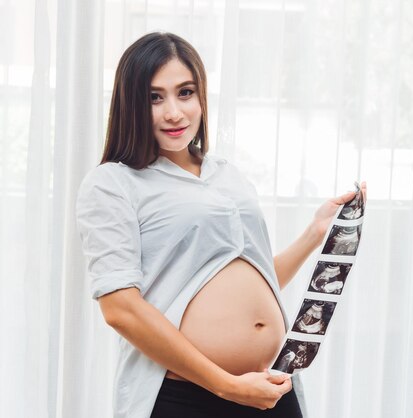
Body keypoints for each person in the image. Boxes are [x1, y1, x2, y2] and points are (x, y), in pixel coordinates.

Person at [75, 32, 366, 418]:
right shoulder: (113, 183)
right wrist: (226, 386)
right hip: (186, 397)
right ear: (130, 104)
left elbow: (249, 279)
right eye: (154, 97)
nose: (174, 112)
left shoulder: (227, 174)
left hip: (271, 386)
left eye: (185, 92)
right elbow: (120, 309)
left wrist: (314, 234)